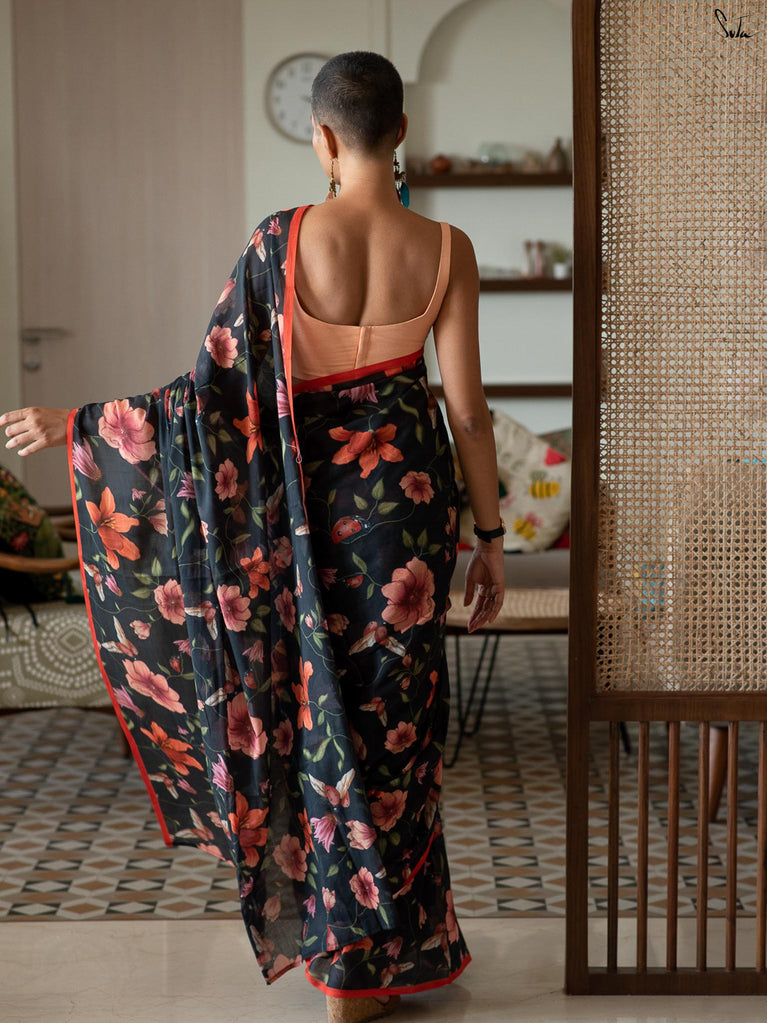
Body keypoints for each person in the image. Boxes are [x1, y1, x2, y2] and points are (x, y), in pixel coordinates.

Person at [0, 51, 504, 1023]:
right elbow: (470, 413)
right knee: (397, 728)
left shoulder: (283, 240)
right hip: (406, 517)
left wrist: (83, 423)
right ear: (401, 130)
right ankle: (380, 959)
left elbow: (210, 397)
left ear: (321, 138)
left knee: (317, 717)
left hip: (307, 521)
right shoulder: (448, 247)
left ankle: (342, 959)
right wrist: (488, 536)